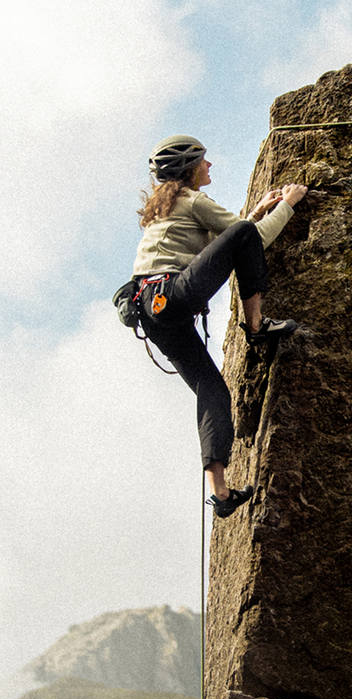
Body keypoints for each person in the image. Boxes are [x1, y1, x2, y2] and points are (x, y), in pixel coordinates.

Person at [130, 134, 308, 518]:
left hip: (153, 311)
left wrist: (256, 210)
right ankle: (257, 325)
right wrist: (288, 205)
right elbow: (250, 239)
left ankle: (221, 493)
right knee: (245, 234)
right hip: (172, 293)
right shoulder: (192, 200)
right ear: (189, 169)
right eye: (203, 161)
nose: (208, 166)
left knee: (211, 389)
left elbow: (219, 244)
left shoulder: (169, 208)